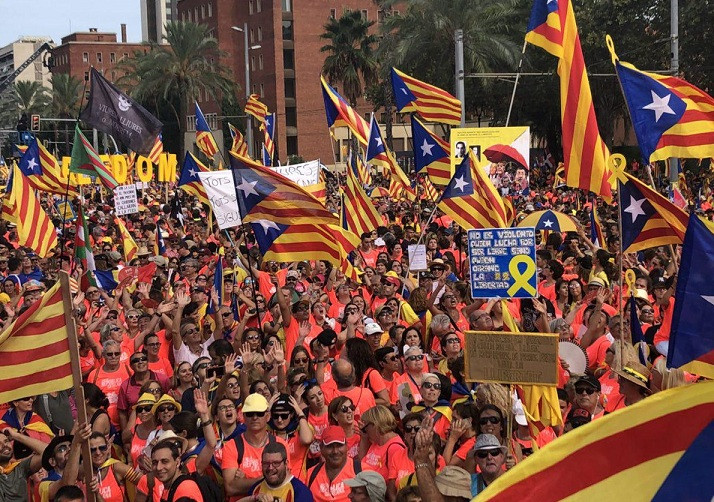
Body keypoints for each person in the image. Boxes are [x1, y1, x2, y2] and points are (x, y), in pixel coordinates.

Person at [242, 441, 314, 501]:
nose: (270, 468)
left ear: (286, 464)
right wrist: (254, 498)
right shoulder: (256, 489)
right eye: (266, 463)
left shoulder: (300, 492)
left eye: (276, 463)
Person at [306, 426, 362, 502]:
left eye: (339, 445)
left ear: (346, 446)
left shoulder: (361, 471)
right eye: (330, 446)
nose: (335, 451)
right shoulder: (310, 474)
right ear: (321, 448)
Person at [0, 426, 48, 501]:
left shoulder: (20, 468)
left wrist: (16, 435)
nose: (4, 445)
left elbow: (47, 451)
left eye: (6, 441)